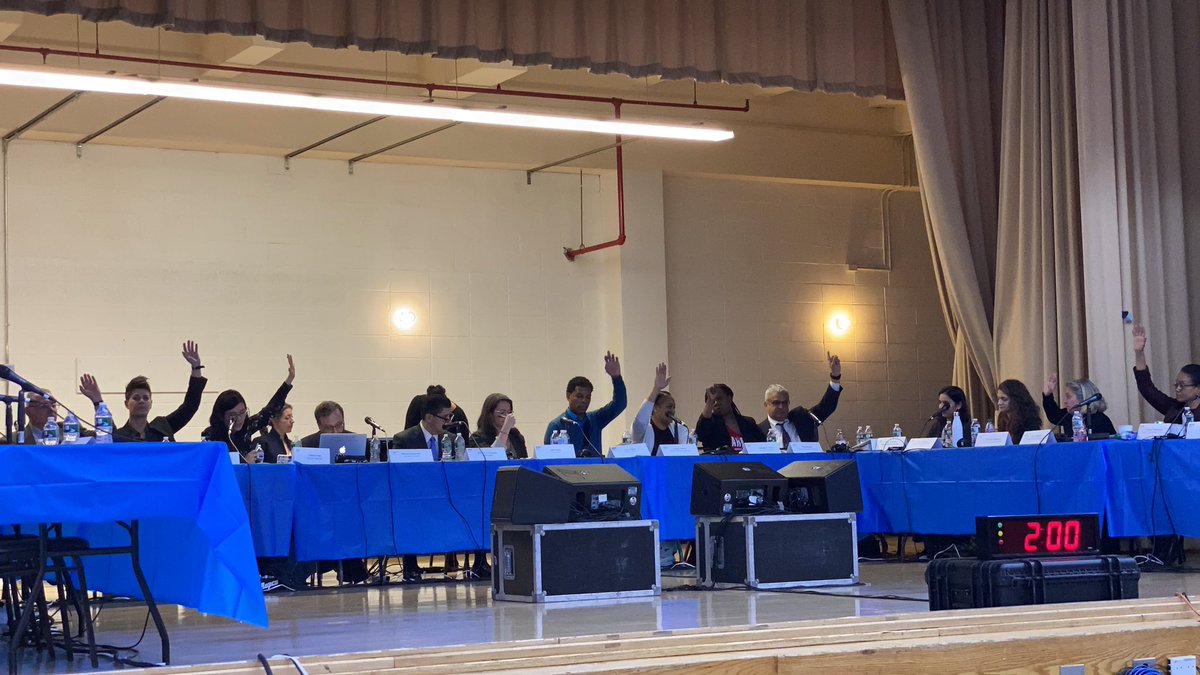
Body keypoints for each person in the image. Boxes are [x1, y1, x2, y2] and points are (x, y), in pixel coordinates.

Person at [77, 340, 208, 442]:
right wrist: (97, 400)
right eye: (136, 398)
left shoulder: (162, 428)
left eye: (146, 398)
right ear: (126, 403)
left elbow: (190, 406)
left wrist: (196, 368)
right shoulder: (118, 436)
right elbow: (106, 424)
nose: (141, 401)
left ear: (151, 403)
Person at [392, 393, 456, 581]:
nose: (449, 421)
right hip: (414, 498)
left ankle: (475, 562)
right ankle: (410, 566)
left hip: (445, 496)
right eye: (445, 417)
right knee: (407, 514)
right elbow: (398, 474)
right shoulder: (404, 439)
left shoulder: (452, 439)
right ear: (429, 417)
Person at [202, 355, 295, 462]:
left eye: (242, 412)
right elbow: (211, 464)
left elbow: (270, 410)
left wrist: (288, 381)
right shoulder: (210, 435)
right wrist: (244, 462)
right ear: (222, 416)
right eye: (233, 414)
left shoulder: (246, 427)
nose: (239, 418)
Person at [543, 352, 627, 457]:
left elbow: (620, 404)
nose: (584, 401)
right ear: (568, 396)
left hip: (595, 472)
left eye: (588, 397)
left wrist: (616, 378)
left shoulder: (595, 419)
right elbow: (548, 460)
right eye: (579, 396)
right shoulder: (557, 426)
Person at [758, 353, 843, 445]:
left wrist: (835, 376)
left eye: (785, 402)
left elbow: (827, 406)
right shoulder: (758, 430)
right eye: (776, 403)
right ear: (766, 405)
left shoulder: (802, 419)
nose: (781, 406)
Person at [1131, 324, 1200, 423]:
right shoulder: (1174, 408)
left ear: (1198, 389)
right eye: (1176, 385)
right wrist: (1139, 353)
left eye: (1182, 385)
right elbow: (1146, 388)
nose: (1178, 389)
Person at [630, 363, 687, 454]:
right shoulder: (643, 430)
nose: (672, 411)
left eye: (674, 407)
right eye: (669, 407)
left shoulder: (677, 429)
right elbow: (640, 419)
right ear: (655, 408)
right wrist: (656, 388)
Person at [1042, 374, 1116, 438]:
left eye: (1068, 397)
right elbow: (1053, 415)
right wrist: (1048, 395)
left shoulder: (1100, 420)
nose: (1065, 401)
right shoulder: (1069, 416)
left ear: (1083, 398)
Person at [696, 383, 765, 452]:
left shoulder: (748, 423)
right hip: (720, 462)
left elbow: (763, 443)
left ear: (729, 398)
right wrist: (710, 401)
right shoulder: (711, 424)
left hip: (750, 462)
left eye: (719, 399)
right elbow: (700, 434)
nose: (716, 403)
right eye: (712, 401)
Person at [470, 393, 526, 459]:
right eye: (502, 412)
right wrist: (506, 428)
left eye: (509, 412)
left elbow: (524, 459)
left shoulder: (516, 435)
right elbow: (492, 458)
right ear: (490, 414)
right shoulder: (477, 438)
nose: (506, 417)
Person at [404, 385, 470, 434]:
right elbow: (408, 432)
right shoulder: (418, 403)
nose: (448, 420)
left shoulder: (458, 414)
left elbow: (464, 445)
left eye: (449, 416)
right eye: (445, 417)